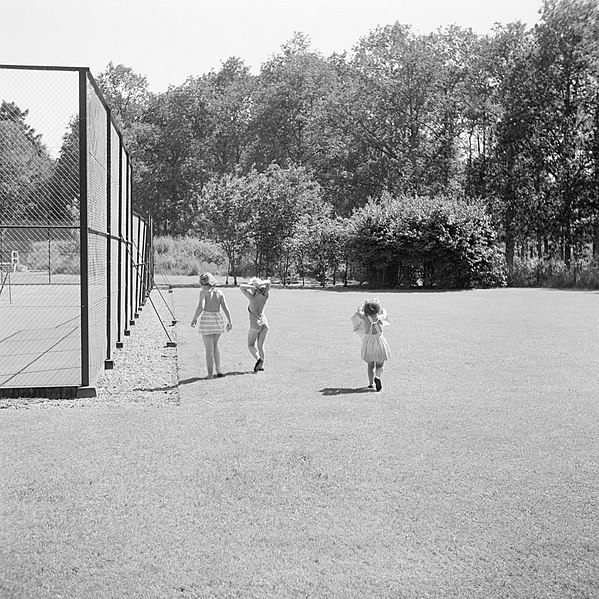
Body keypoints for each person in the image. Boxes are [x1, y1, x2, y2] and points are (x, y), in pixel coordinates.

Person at [191, 272, 232, 379]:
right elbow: (225, 308)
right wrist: (230, 321)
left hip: (207, 320)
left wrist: (194, 318)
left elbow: (201, 306)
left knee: (209, 349)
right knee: (215, 346)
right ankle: (219, 370)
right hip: (218, 320)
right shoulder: (219, 292)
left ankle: (210, 374)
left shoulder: (203, 293)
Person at [352, 298, 390, 391]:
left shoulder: (365, 317)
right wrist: (380, 306)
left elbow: (358, 311)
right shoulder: (380, 317)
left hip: (369, 343)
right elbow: (384, 312)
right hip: (380, 342)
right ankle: (377, 376)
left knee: (370, 365)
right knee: (380, 365)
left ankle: (370, 383)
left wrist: (364, 303)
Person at [239, 277, 271, 372]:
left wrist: (252, 287)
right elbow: (268, 282)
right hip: (264, 324)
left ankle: (258, 359)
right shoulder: (265, 295)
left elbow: (241, 287)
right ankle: (261, 366)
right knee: (261, 346)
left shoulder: (252, 297)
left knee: (250, 345)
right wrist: (259, 285)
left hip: (255, 325)